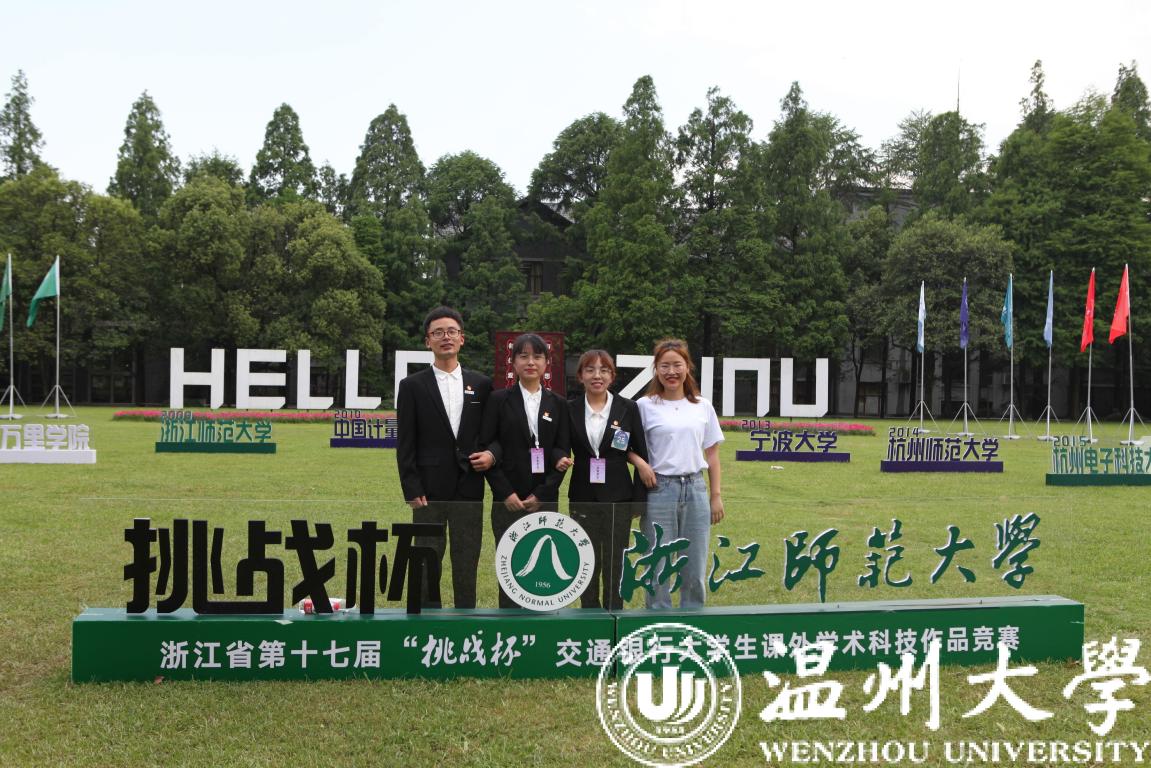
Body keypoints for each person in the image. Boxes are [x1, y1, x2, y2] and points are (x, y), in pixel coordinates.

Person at [395, 306, 494, 609]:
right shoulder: (412, 386)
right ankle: (427, 619)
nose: (445, 337)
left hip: (469, 485)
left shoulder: (481, 384)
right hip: (428, 489)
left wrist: (492, 455)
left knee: (467, 559)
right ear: (428, 341)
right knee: (427, 558)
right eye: (438, 332)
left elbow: (492, 434)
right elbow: (406, 442)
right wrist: (411, 487)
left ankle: (466, 618)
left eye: (451, 331)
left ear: (462, 338)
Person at [556, 350, 656, 610]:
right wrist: (560, 458)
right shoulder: (569, 408)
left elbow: (640, 453)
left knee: (616, 559)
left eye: (603, 370)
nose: (597, 376)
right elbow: (560, 446)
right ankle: (589, 612)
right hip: (582, 495)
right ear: (580, 376)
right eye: (590, 370)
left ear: (612, 376)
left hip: (618, 496)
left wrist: (638, 501)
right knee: (586, 557)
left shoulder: (628, 408)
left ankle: (614, 613)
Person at [480, 333, 570, 608]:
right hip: (507, 499)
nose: (531, 362)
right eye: (523, 356)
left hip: (544, 499)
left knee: (544, 569)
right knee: (510, 566)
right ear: (513, 363)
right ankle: (509, 624)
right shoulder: (498, 400)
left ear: (547, 363)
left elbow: (562, 452)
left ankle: (541, 622)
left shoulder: (558, 403)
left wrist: (543, 494)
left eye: (537, 356)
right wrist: (505, 493)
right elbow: (487, 448)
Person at [636, 338, 724, 609]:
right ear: (656, 369)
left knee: (694, 563)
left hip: (695, 489)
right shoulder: (644, 405)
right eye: (664, 366)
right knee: (657, 562)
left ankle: (692, 615)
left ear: (688, 367)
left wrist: (716, 496)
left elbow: (712, 455)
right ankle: (657, 617)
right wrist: (640, 463)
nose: (671, 372)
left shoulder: (702, 406)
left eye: (677, 365)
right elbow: (625, 445)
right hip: (659, 490)